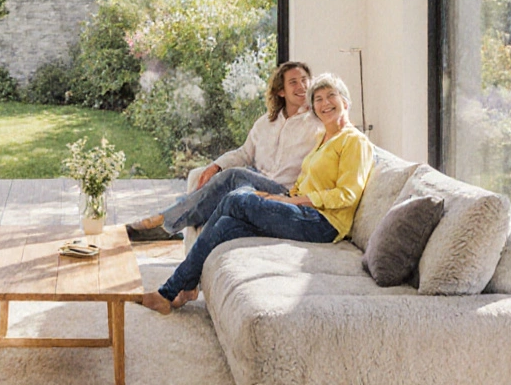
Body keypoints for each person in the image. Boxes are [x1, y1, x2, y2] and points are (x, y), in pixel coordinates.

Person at [140, 73, 374, 314]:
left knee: (236, 200)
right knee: (226, 224)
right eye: (319, 99)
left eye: (331, 96)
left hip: (324, 223)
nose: (325, 103)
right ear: (313, 107)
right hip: (301, 209)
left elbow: (347, 194)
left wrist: (289, 201)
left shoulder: (354, 141)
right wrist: (282, 199)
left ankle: (171, 289)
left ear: (345, 102)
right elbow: (305, 182)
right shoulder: (324, 138)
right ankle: (181, 289)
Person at [125, 61, 323, 241]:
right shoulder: (265, 123)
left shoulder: (318, 125)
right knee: (220, 181)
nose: (302, 87)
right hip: (253, 184)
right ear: (281, 91)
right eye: (294, 82)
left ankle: (163, 221)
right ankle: (170, 222)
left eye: (305, 81)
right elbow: (243, 154)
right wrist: (216, 165)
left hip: (283, 192)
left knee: (233, 176)